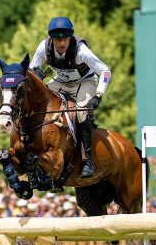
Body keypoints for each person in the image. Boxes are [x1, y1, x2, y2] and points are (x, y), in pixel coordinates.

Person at [29, 16, 112, 178]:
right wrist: (36, 73)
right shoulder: (43, 47)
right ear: (51, 39)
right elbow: (32, 67)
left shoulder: (81, 51)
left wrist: (99, 94)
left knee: (81, 112)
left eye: (65, 39)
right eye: (58, 40)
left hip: (85, 81)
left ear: (70, 38)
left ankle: (87, 160)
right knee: (39, 101)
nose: (61, 44)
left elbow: (105, 71)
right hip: (61, 81)